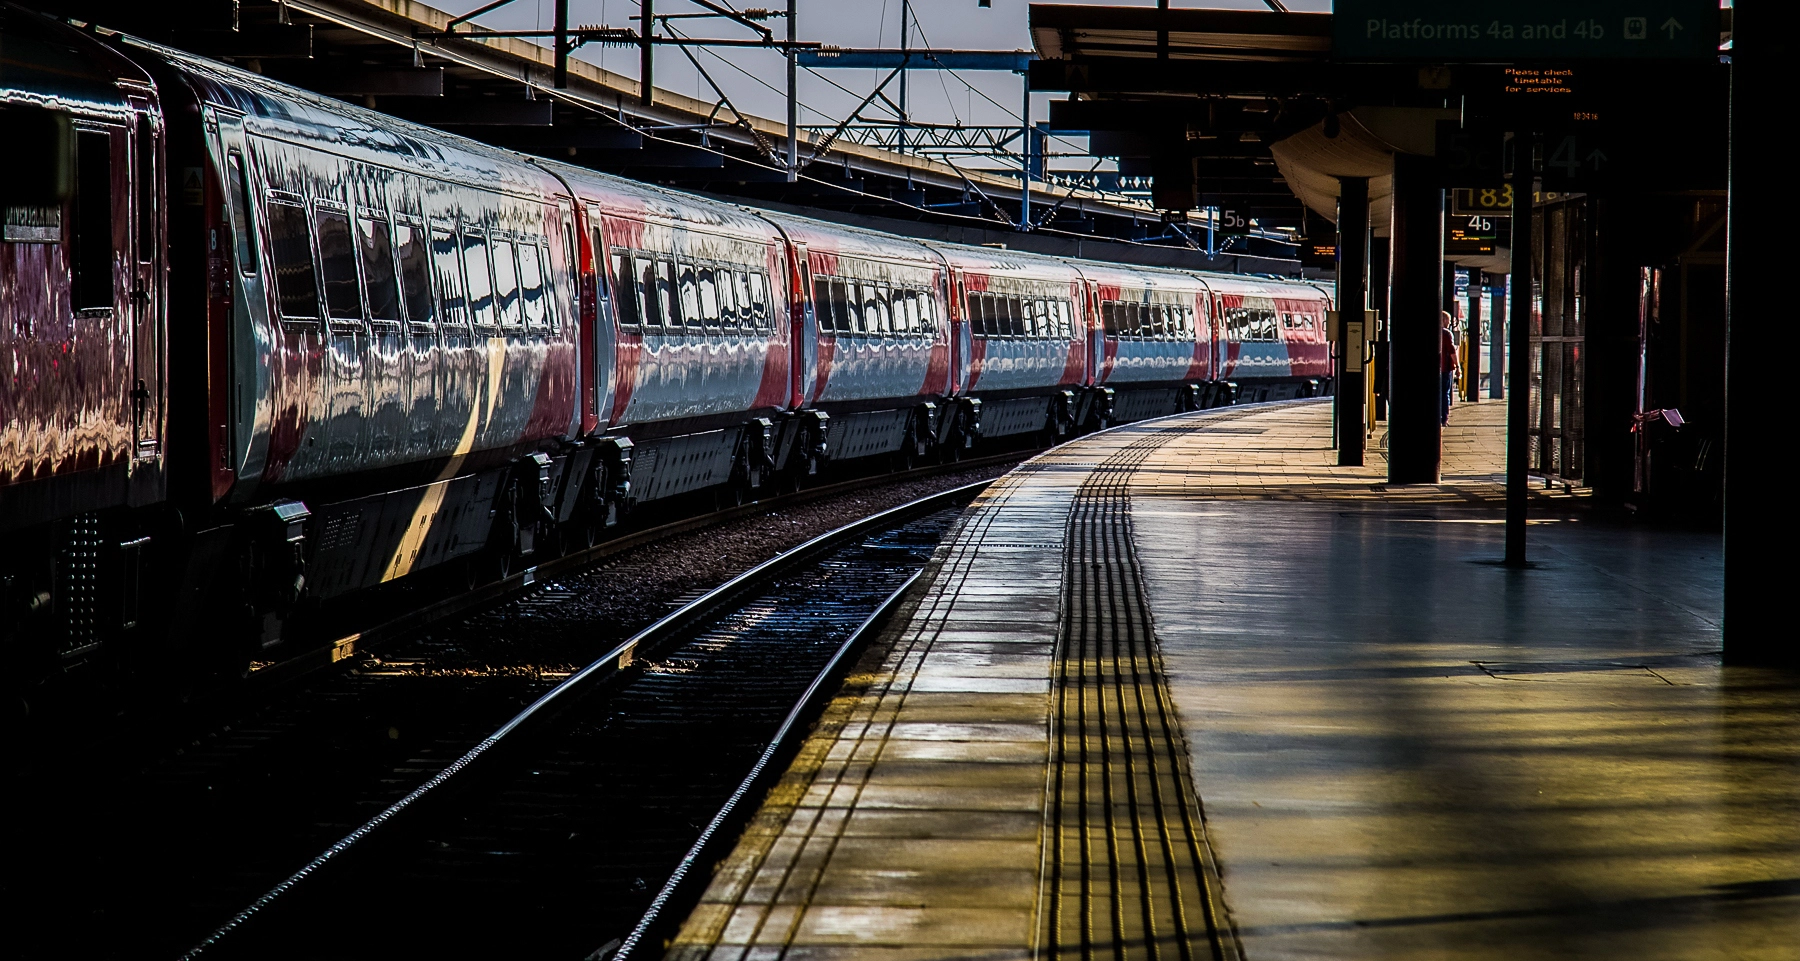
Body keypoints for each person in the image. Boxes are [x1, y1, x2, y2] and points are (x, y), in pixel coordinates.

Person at [1440, 310, 1459, 427]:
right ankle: (1444, 418)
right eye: (1448, 320)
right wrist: (1458, 366)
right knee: (1444, 394)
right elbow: (1452, 351)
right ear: (1445, 320)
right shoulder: (1446, 334)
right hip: (1445, 369)